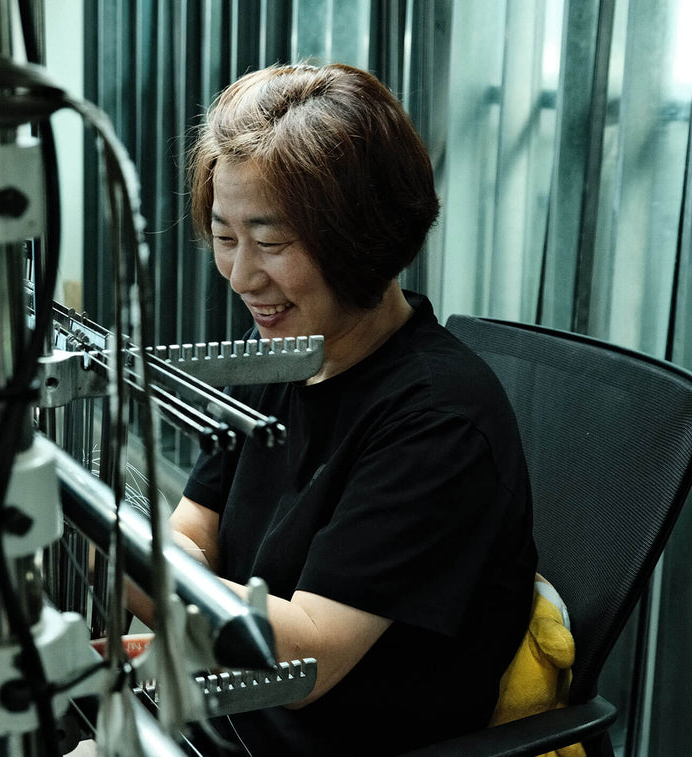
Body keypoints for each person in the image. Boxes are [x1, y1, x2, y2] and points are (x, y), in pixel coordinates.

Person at [166, 62, 536, 755]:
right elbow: (195, 529)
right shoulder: (279, 351)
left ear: (362, 240)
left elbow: (300, 658)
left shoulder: (438, 422)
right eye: (224, 237)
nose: (242, 277)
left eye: (271, 243)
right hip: (226, 712)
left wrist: (138, 561)